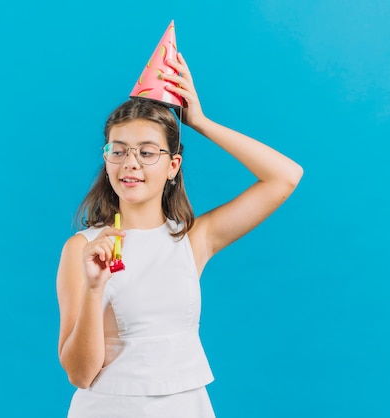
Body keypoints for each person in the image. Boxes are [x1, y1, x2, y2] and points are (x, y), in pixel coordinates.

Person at [56, 52, 303, 417]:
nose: (131, 163)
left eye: (147, 152)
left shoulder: (193, 239)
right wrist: (94, 289)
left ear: (173, 165)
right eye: (118, 151)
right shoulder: (83, 249)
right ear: (107, 159)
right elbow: (80, 374)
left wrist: (200, 122)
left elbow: (285, 176)